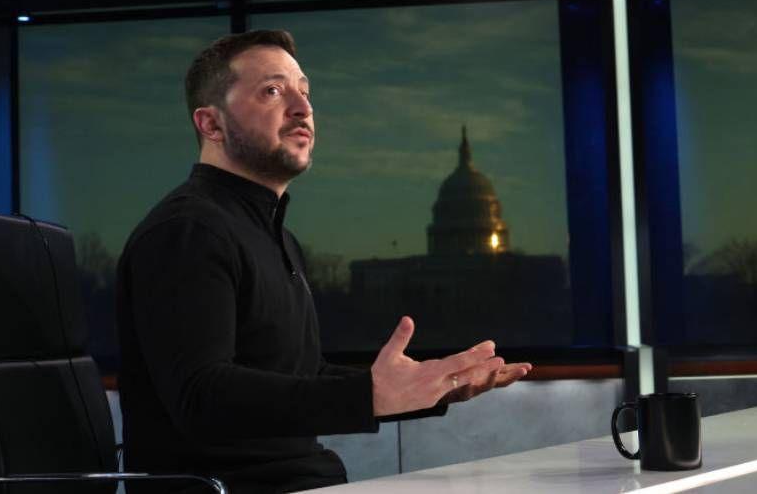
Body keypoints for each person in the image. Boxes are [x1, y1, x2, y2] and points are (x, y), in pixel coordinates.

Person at [115, 29, 532, 493]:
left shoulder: (275, 236)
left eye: (305, 91)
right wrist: (368, 396)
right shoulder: (188, 232)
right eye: (273, 91)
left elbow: (299, 378)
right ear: (211, 125)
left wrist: (428, 387)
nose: (303, 108)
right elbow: (202, 395)